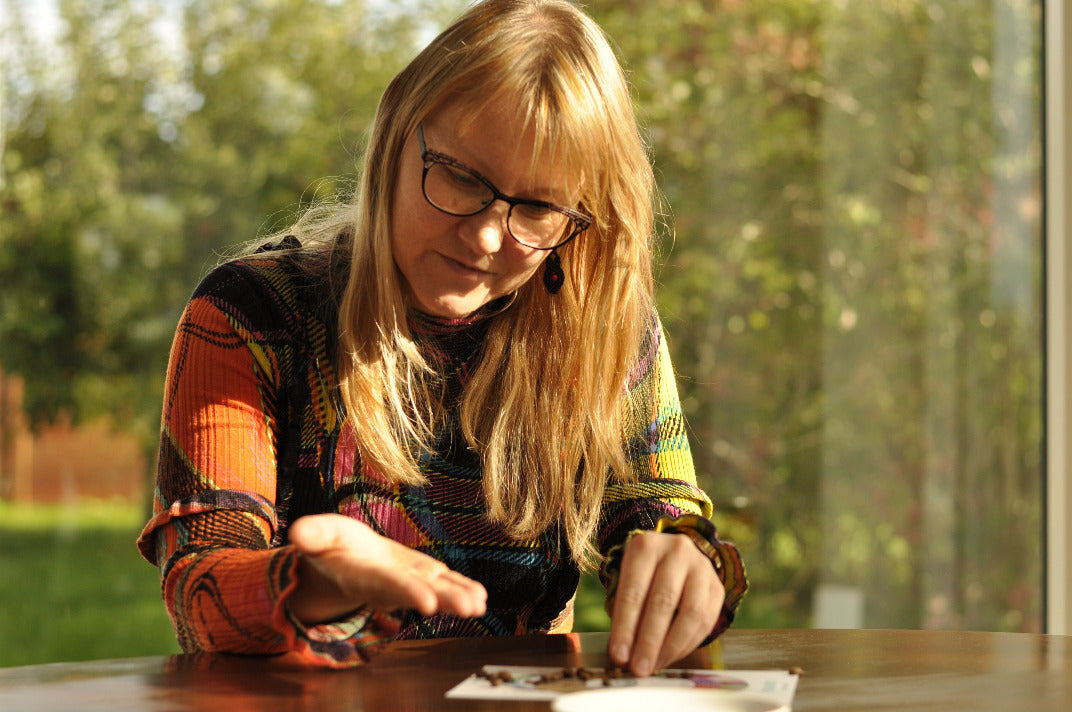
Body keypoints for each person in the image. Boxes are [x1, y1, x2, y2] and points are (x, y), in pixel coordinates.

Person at [137, 0, 747, 674]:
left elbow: (658, 510)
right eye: (460, 177)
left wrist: (687, 558)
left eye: (537, 208)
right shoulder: (251, 315)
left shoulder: (606, 332)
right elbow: (200, 591)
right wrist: (311, 582)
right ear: (395, 137)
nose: (485, 235)